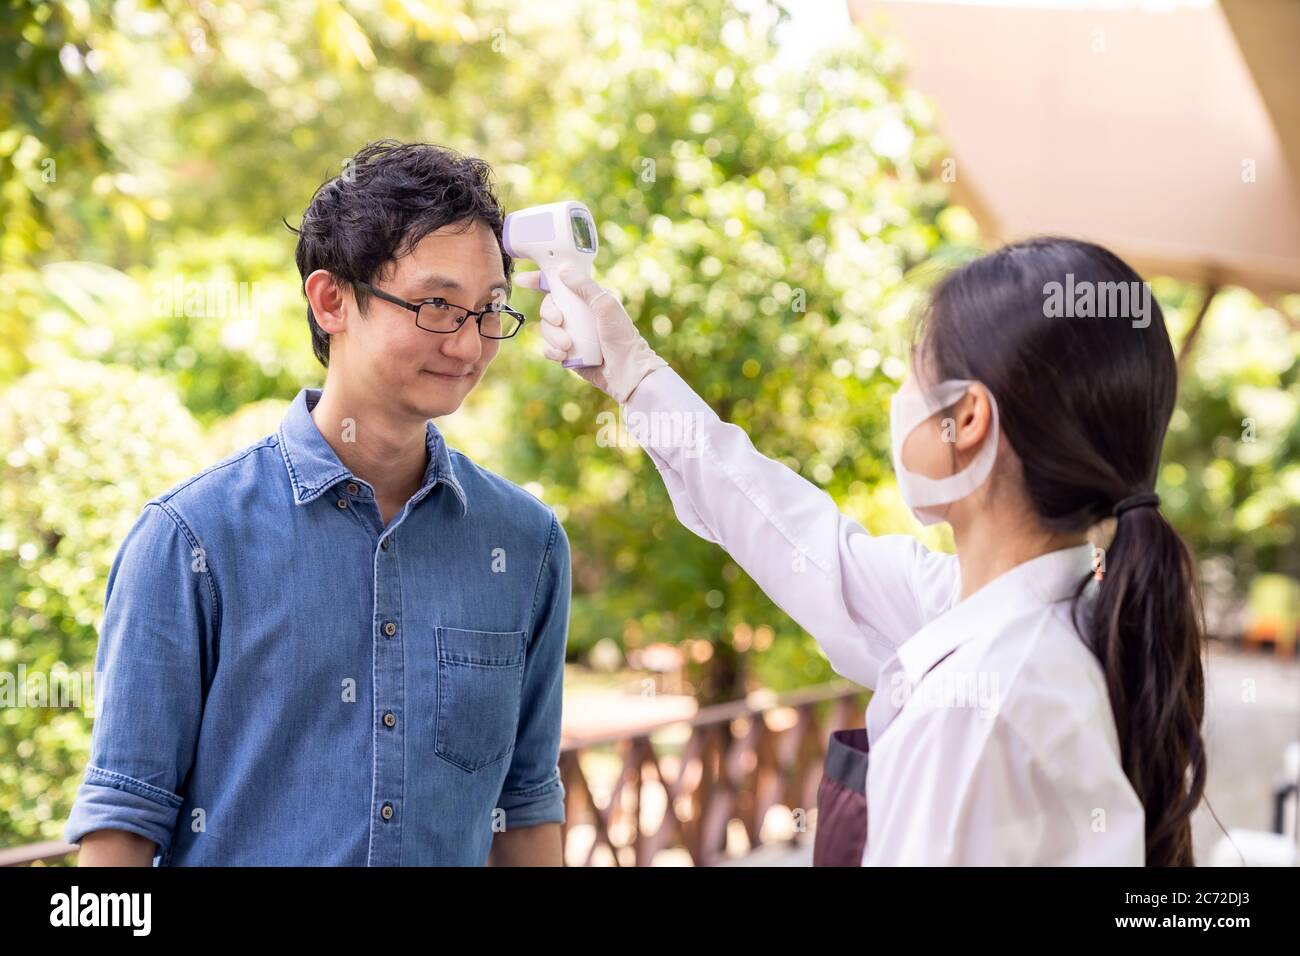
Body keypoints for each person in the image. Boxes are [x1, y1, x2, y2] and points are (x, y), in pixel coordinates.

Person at [522, 236, 1206, 865]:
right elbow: (798, 540)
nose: (898, 399)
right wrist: (636, 376)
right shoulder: (1060, 619)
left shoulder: (975, 710)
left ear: (965, 418)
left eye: (913, 375)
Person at [65, 141, 570, 866]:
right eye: (436, 304)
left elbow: (525, 805)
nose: (468, 345)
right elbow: (122, 825)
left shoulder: (527, 543)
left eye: (489, 310)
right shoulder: (190, 539)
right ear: (332, 300)